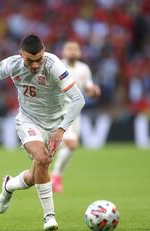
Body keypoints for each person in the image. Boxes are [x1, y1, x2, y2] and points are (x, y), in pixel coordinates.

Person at [0, 35, 85, 231]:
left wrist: (61, 130)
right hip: (29, 121)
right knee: (43, 159)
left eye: (39, 60)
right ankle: (49, 217)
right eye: (30, 61)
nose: (36, 65)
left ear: (44, 51)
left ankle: (9, 185)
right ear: (21, 55)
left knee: (34, 175)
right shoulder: (12, 64)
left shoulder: (54, 65)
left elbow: (78, 100)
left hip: (56, 125)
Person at [51, 41, 101, 193]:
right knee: (72, 144)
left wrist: (94, 91)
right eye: (69, 49)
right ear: (63, 52)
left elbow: (88, 87)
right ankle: (55, 176)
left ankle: (54, 175)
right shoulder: (58, 66)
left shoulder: (84, 68)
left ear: (79, 52)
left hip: (75, 112)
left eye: (75, 49)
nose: (72, 51)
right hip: (59, 111)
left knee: (69, 147)